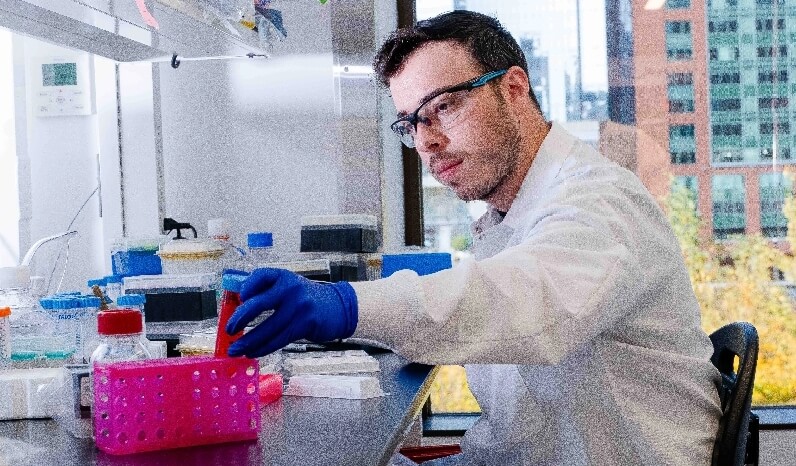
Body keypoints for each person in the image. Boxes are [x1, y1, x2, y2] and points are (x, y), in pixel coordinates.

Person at [226, 10, 722, 465]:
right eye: (412, 122)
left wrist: (348, 304)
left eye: (444, 106)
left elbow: (522, 299)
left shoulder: (599, 200)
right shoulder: (511, 216)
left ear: (513, 88)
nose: (426, 141)